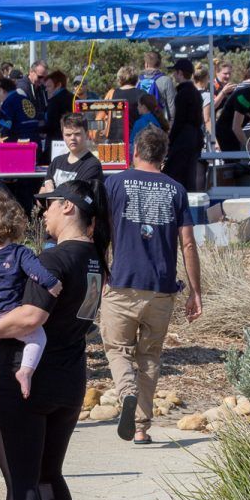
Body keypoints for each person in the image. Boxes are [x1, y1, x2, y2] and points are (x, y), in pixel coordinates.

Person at [0, 179, 110, 500]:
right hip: (69, 380)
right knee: (50, 474)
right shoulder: (93, 258)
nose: (44, 212)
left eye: (49, 204)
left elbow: (29, 317)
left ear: (69, 208)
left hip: (24, 379)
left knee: (21, 479)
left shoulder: (53, 258)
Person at [101, 127, 202, 445]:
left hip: (122, 283)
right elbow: (187, 243)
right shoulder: (176, 189)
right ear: (164, 156)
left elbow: (100, 234)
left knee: (117, 350)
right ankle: (142, 427)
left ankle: (127, 393)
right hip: (161, 287)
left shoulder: (114, 183)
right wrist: (197, 291)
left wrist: (101, 272)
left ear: (134, 151)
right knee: (149, 356)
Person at [0, 189, 62, 400]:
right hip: (11, 311)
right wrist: (52, 284)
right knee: (38, 338)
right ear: (15, 225)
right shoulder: (20, 252)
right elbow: (36, 272)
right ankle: (26, 371)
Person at [163, 59, 204, 192]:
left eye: (175, 72)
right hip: (195, 138)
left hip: (183, 139)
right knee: (189, 177)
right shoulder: (195, 92)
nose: (174, 75)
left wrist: (171, 140)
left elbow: (179, 120)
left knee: (172, 175)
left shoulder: (182, 94)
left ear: (180, 73)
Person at [41, 113, 103, 191]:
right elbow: (41, 196)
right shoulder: (56, 161)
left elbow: (76, 199)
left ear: (87, 135)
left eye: (77, 134)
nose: (72, 138)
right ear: (63, 136)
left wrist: (50, 191)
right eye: (68, 135)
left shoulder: (92, 165)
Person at [41, 70, 74, 162]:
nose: (46, 89)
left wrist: (38, 129)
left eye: (49, 86)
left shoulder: (54, 101)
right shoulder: (74, 98)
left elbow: (51, 125)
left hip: (55, 143)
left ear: (58, 85)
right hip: (73, 142)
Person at [0, 77, 43, 142]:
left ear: (2, 90)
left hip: (21, 143)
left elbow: (5, 127)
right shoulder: (25, 99)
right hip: (35, 141)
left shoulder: (8, 102)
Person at [106, 66, 143, 140]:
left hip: (114, 139)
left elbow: (101, 116)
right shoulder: (142, 94)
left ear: (119, 79)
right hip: (135, 139)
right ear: (136, 79)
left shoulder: (111, 93)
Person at [139, 50, 175, 123]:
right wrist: (171, 123)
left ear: (146, 64)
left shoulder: (138, 80)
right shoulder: (166, 80)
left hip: (141, 123)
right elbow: (171, 106)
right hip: (160, 123)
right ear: (160, 64)